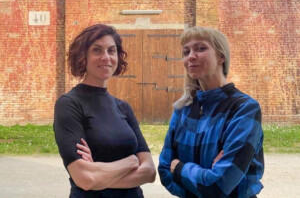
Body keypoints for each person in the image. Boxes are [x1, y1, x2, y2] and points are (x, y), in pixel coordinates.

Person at [158, 26, 264, 198]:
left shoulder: (244, 108)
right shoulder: (182, 109)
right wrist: (204, 179)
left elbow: (219, 185)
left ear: (221, 56)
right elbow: (164, 171)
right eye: (186, 52)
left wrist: (179, 168)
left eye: (201, 48)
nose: (191, 56)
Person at [54, 23, 156, 197]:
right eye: (97, 50)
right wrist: (130, 162)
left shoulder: (123, 107)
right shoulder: (69, 104)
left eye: (111, 50)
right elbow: (84, 178)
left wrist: (98, 174)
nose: (106, 57)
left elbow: (149, 172)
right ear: (82, 56)